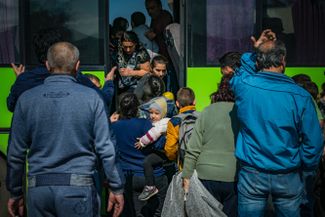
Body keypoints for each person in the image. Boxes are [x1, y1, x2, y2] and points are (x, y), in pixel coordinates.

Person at [6, 42, 124, 217]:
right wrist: (116, 186)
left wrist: (15, 192)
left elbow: (15, 153)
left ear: (47, 65)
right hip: (79, 190)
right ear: (77, 66)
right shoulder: (92, 98)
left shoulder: (26, 100)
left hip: (38, 191)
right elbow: (106, 147)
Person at [230, 30, 324, 217]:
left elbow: (240, 71)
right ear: (283, 61)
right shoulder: (301, 96)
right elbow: (313, 142)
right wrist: (303, 167)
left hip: (252, 173)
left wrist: (255, 50)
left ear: (258, 62)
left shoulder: (245, 87)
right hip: (288, 173)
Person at [8, 28, 111, 113]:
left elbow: (12, 106)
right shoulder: (76, 77)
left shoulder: (25, 79)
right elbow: (103, 100)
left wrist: (19, 80)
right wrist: (109, 83)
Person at [182, 75, 239, 217]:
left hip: (205, 175)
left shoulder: (207, 111)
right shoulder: (242, 112)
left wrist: (186, 176)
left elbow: (193, 148)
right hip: (233, 176)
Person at [111, 93, 168, 217]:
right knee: (157, 213)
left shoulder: (114, 127)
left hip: (129, 177)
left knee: (137, 213)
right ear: (137, 108)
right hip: (153, 176)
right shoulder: (144, 123)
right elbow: (159, 145)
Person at [134, 97, 170, 201]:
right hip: (161, 151)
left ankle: (150, 186)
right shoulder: (158, 121)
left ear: (163, 113)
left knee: (147, 162)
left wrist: (142, 142)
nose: (153, 116)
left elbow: (153, 134)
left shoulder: (164, 123)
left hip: (164, 153)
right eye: (151, 112)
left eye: (156, 113)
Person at [164, 87, 197, 169]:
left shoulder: (174, 121)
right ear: (194, 102)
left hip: (184, 166)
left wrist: (175, 158)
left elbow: (170, 149)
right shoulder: (203, 117)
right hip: (202, 164)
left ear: (177, 104)